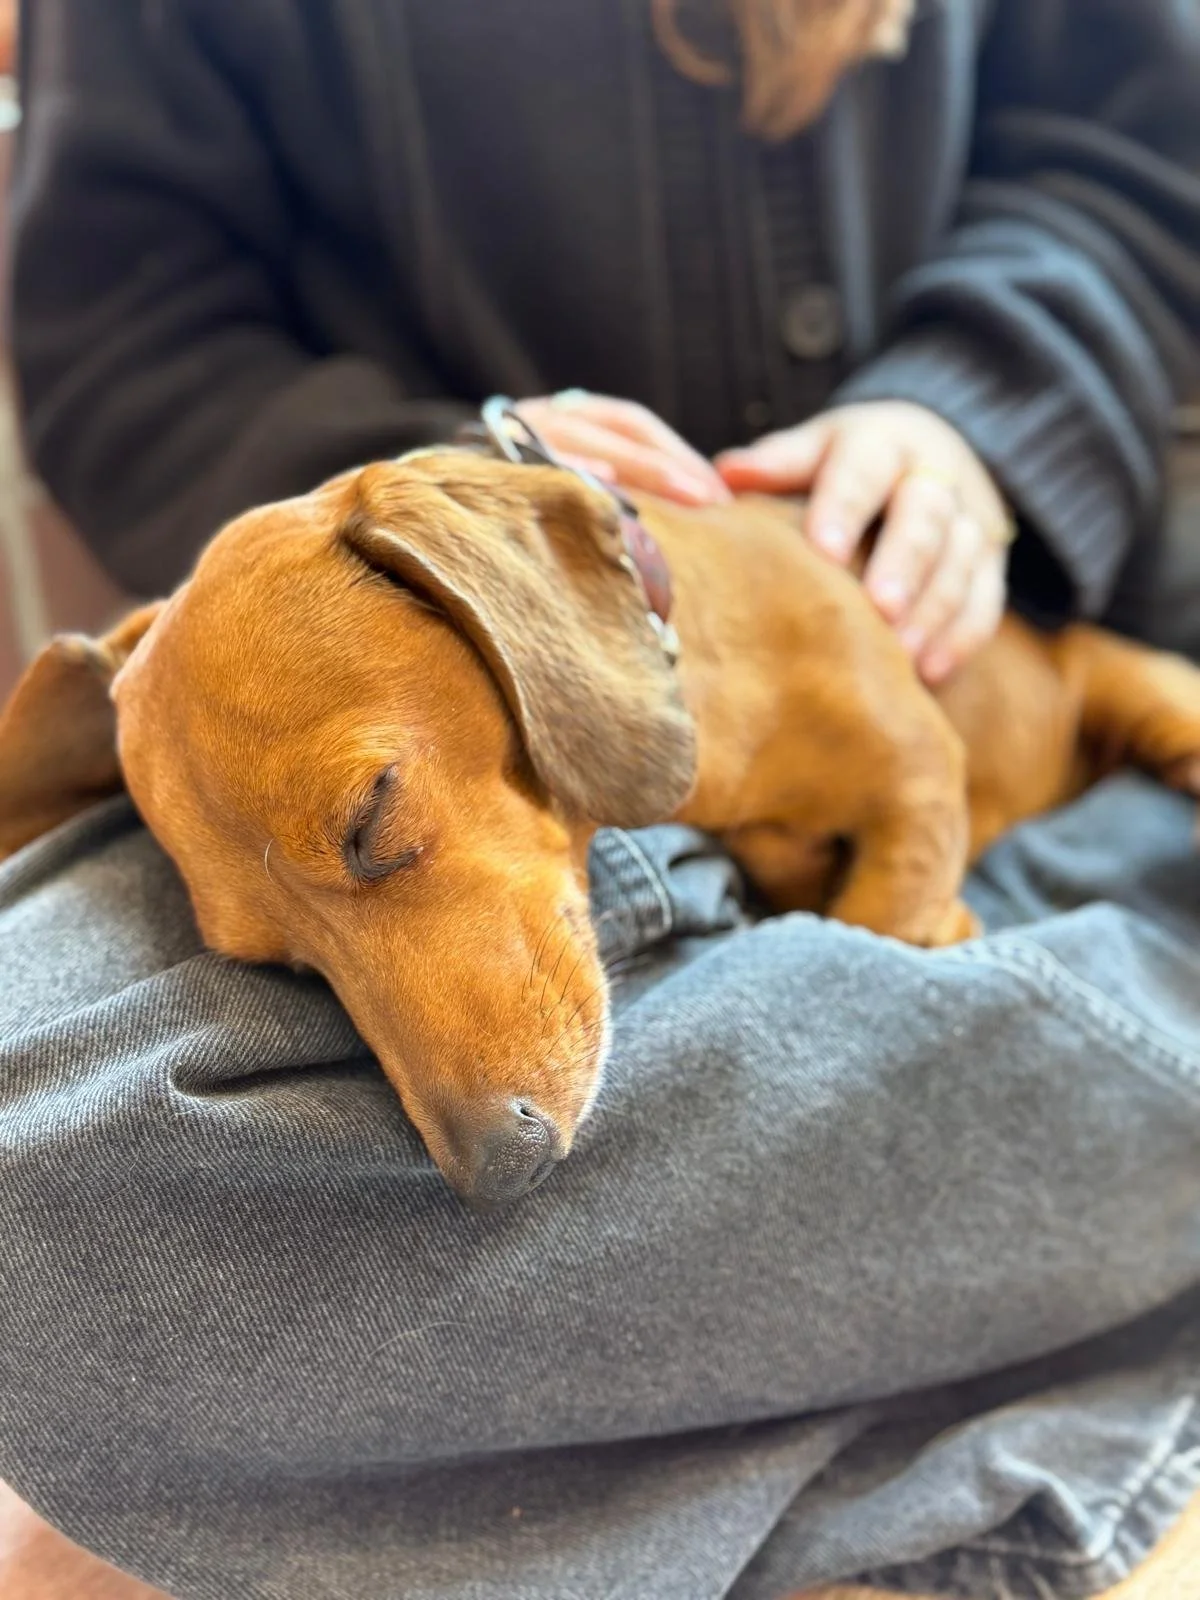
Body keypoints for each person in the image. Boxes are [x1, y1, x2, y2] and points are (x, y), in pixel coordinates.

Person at [2, 3, 1199, 1597]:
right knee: (38, 1222)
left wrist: (981, 413)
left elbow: (1144, 143)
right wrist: (441, 484)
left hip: (1018, 611)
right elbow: (123, 317)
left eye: (383, 833)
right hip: (420, 627)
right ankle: (1020, 1232)